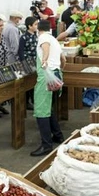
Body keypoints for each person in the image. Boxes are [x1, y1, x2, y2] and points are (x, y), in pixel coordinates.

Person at [31, 20, 66, 157]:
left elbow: (45, 48)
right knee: (48, 107)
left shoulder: (43, 38)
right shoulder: (54, 39)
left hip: (46, 76)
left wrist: (45, 61)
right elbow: (63, 59)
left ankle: (46, 145)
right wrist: (59, 71)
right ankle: (58, 135)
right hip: (56, 74)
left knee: (41, 110)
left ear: (38, 29)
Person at [19, 16, 39, 111]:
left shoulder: (35, 35)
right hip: (27, 62)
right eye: (35, 24)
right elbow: (21, 51)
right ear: (29, 26)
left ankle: (33, 100)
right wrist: (24, 63)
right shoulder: (23, 37)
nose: (37, 26)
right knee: (28, 83)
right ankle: (26, 102)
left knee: (34, 82)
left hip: (35, 62)